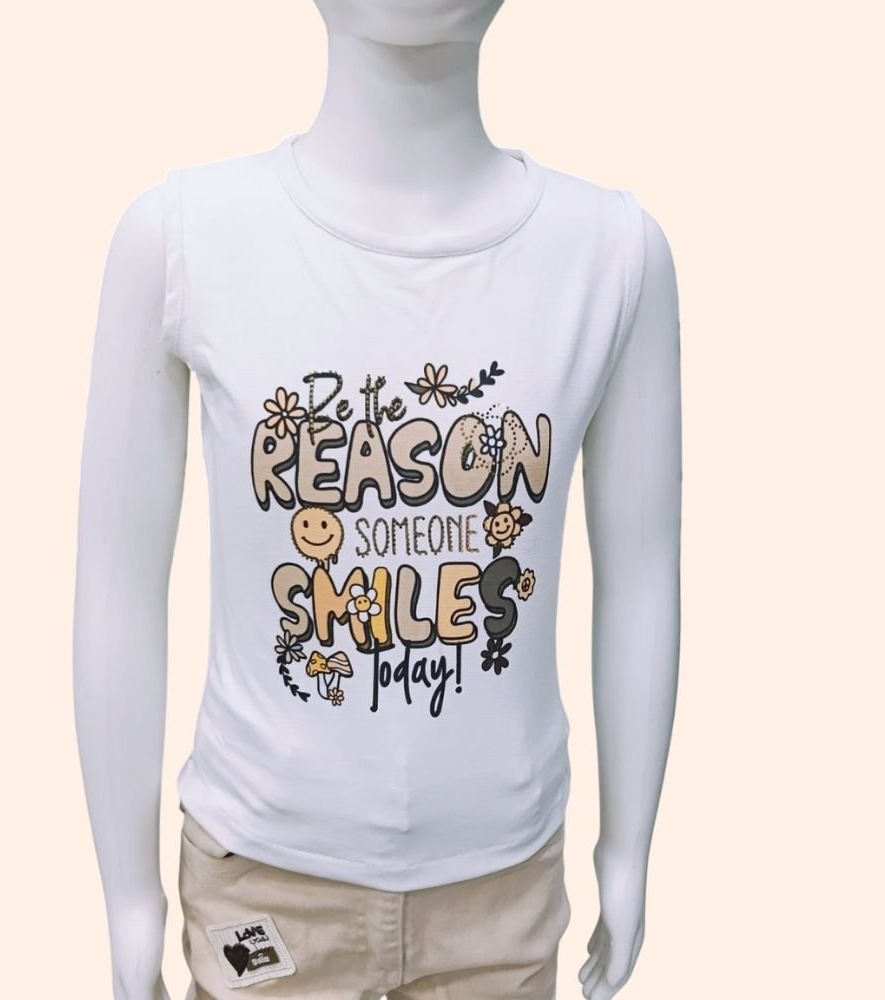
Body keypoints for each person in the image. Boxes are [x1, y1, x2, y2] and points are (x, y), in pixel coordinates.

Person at [73, 2, 682, 998]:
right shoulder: (186, 239)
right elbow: (116, 584)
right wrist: (127, 893)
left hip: (502, 892)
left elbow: (643, 576)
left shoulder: (609, 254)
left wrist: (629, 846)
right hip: (263, 883)